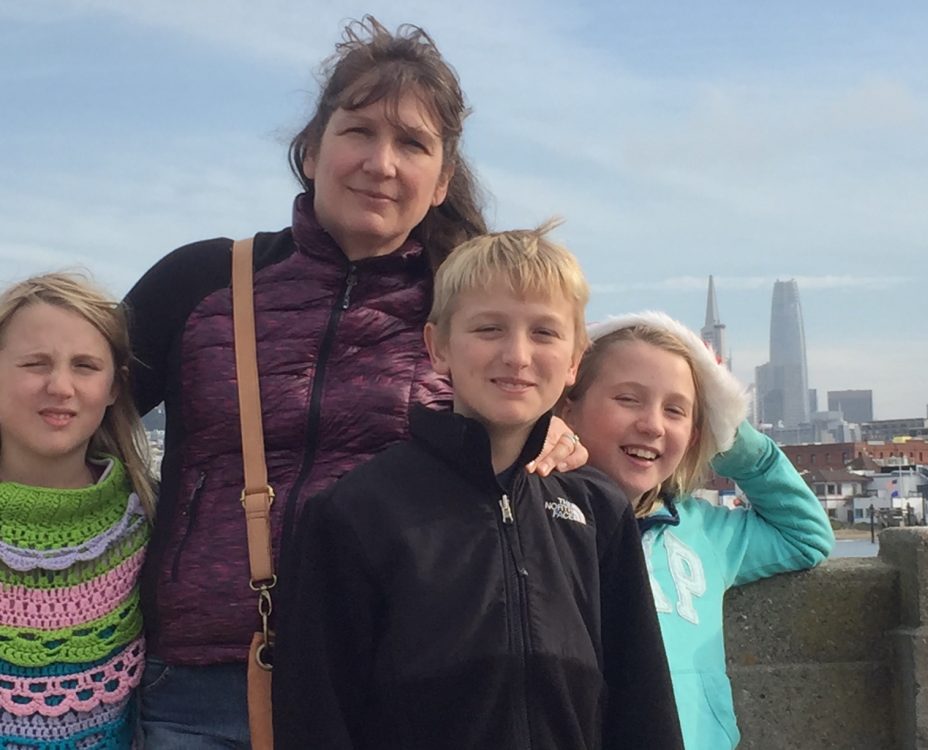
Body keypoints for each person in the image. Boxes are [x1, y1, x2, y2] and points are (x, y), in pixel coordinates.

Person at [124, 17, 586, 748]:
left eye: (412, 144)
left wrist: (554, 428)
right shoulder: (205, 282)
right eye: (359, 131)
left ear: (441, 182)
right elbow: (63, 400)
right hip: (204, 685)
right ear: (311, 151)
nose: (381, 162)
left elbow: (569, 411)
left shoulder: (469, 315)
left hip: (401, 683)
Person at [273, 224, 684, 749]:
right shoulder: (355, 513)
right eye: (489, 329)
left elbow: (642, 705)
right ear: (438, 346)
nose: (517, 355)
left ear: (576, 358)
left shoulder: (597, 510)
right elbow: (317, 718)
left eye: (544, 333)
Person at [559, 311, 835, 750]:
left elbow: (805, 536)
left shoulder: (705, 532)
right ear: (567, 408)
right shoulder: (541, 521)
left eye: (676, 410)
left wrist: (729, 434)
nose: (652, 425)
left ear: (694, 435)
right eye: (628, 399)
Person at [0, 273, 154, 749]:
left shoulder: (150, 524)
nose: (60, 386)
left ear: (113, 388)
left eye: (85, 366)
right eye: (35, 363)